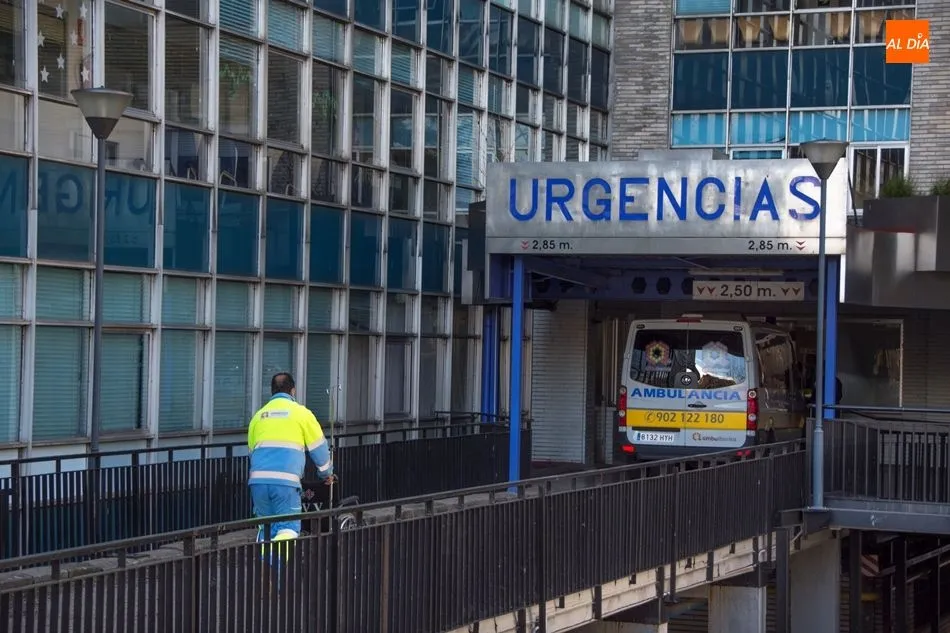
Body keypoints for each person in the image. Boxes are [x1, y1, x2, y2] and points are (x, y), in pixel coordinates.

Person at [248, 372, 335, 545]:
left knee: (265, 527)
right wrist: (327, 474)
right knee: (287, 529)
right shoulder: (301, 414)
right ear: (293, 391)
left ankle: (264, 567)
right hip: (285, 484)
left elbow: (252, 452)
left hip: (257, 482)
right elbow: (320, 449)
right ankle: (282, 570)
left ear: (272, 392)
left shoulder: (258, 416)